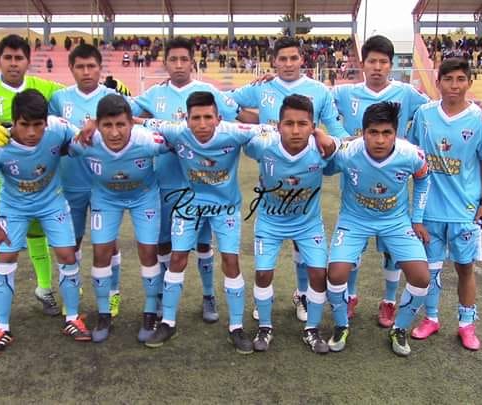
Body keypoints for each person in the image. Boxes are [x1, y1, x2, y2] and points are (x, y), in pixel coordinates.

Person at [332, 35, 482, 327]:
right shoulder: (345, 93)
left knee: (391, 250)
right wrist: (270, 81)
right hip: (355, 184)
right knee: (353, 251)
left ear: (391, 65)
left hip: (395, 187)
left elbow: (445, 104)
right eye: (372, 61)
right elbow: (310, 99)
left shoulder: (407, 94)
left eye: (383, 62)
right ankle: (351, 296)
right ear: (362, 64)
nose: (377, 67)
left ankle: (389, 301)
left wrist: (477, 104)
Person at [228, 36, 348, 323]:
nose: (288, 64)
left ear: (302, 59)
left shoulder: (319, 91)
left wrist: (325, 138)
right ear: (274, 62)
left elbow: (338, 132)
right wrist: (252, 122)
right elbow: (226, 102)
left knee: (301, 241)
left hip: (305, 170)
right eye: (282, 59)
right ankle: (265, 298)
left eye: (293, 58)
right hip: (272, 170)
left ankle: (302, 294)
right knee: (273, 234)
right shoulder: (262, 87)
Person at [130, 37, 246, 324]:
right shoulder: (154, 94)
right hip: (165, 182)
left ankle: (208, 295)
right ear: (165, 63)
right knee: (165, 244)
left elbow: (239, 114)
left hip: (199, 187)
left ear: (192, 62)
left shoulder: (209, 92)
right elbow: (127, 116)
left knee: (204, 245)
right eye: (173, 59)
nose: (179, 65)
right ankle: (160, 297)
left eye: (184, 59)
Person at [140, 91, 262, 354]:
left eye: (208, 117)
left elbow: (269, 130)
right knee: (177, 258)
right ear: (186, 119)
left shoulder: (234, 132)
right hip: (189, 204)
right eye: (196, 118)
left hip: (225, 208)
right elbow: (140, 122)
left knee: (231, 261)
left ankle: (236, 327)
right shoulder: (176, 131)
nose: (203, 124)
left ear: (219, 119)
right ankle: (168, 322)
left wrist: (318, 135)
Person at [0, 89, 92, 357]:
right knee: (6, 257)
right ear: (14, 120)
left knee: (67, 254)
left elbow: (76, 142)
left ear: (46, 121)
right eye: (24, 125)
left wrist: (87, 132)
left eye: (38, 125)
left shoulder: (58, 127)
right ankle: (2, 328)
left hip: (52, 202)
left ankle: (72, 318)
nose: (32, 132)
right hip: (14, 207)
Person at [0, 34, 66, 327]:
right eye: (8, 58)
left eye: (19, 58)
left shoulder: (44, 87)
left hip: (37, 178)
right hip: (0, 180)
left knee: (38, 235)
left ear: (28, 60)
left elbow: (73, 98)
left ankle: (44, 290)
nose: (13, 63)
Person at [323, 101, 431, 357]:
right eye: (373, 132)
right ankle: (341, 326)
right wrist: (328, 148)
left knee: (421, 277)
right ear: (363, 133)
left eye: (386, 133)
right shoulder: (348, 152)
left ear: (396, 133)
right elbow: (325, 169)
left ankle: (399, 329)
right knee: (336, 274)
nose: (380, 140)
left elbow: (424, 179)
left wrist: (417, 219)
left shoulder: (411, 154)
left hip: (395, 221)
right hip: (354, 219)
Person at [408, 58, 482, 351]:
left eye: (460, 79)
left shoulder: (480, 118)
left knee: (465, 268)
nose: (454, 86)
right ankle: (431, 318)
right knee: (430, 270)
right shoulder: (424, 114)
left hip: (465, 210)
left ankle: (466, 324)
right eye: (448, 79)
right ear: (438, 83)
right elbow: (411, 154)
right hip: (429, 209)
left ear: (470, 82)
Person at [69, 94, 169, 342]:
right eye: (107, 125)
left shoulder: (147, 140)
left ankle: (150, 311)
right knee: (101, 252)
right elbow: (55, 145)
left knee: (148, 251)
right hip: (106, 199)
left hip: (144, 197)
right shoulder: (85, 142)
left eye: (121, 125)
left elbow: (179, 138)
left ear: (131, 123)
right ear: (98, 124)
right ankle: (104, 314)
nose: (114, 133)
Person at [244, 94, 339, 354]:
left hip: (308, 224)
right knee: (263, 273)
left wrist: (329, 142)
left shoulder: (322, 150)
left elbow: (349, 147)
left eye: (302, 124)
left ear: (313, 127)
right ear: (278, 126)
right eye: (289, 123)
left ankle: (312, 329)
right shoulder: (262, 146)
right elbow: (240, 138)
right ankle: (265, 327)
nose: (295, 130)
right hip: (270, 222)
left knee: (318, 274)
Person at [49, 44, 125, 319]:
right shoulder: (59, 99)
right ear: (71, 69)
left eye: (91, 66)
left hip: (106, 184)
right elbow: (51, 133)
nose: (86, 72)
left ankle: (113, 292)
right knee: (73, 240)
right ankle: (73, 288)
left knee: (109, 242)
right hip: (72, 182)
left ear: (100, 68)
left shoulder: (113, 98)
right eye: (80, 66)